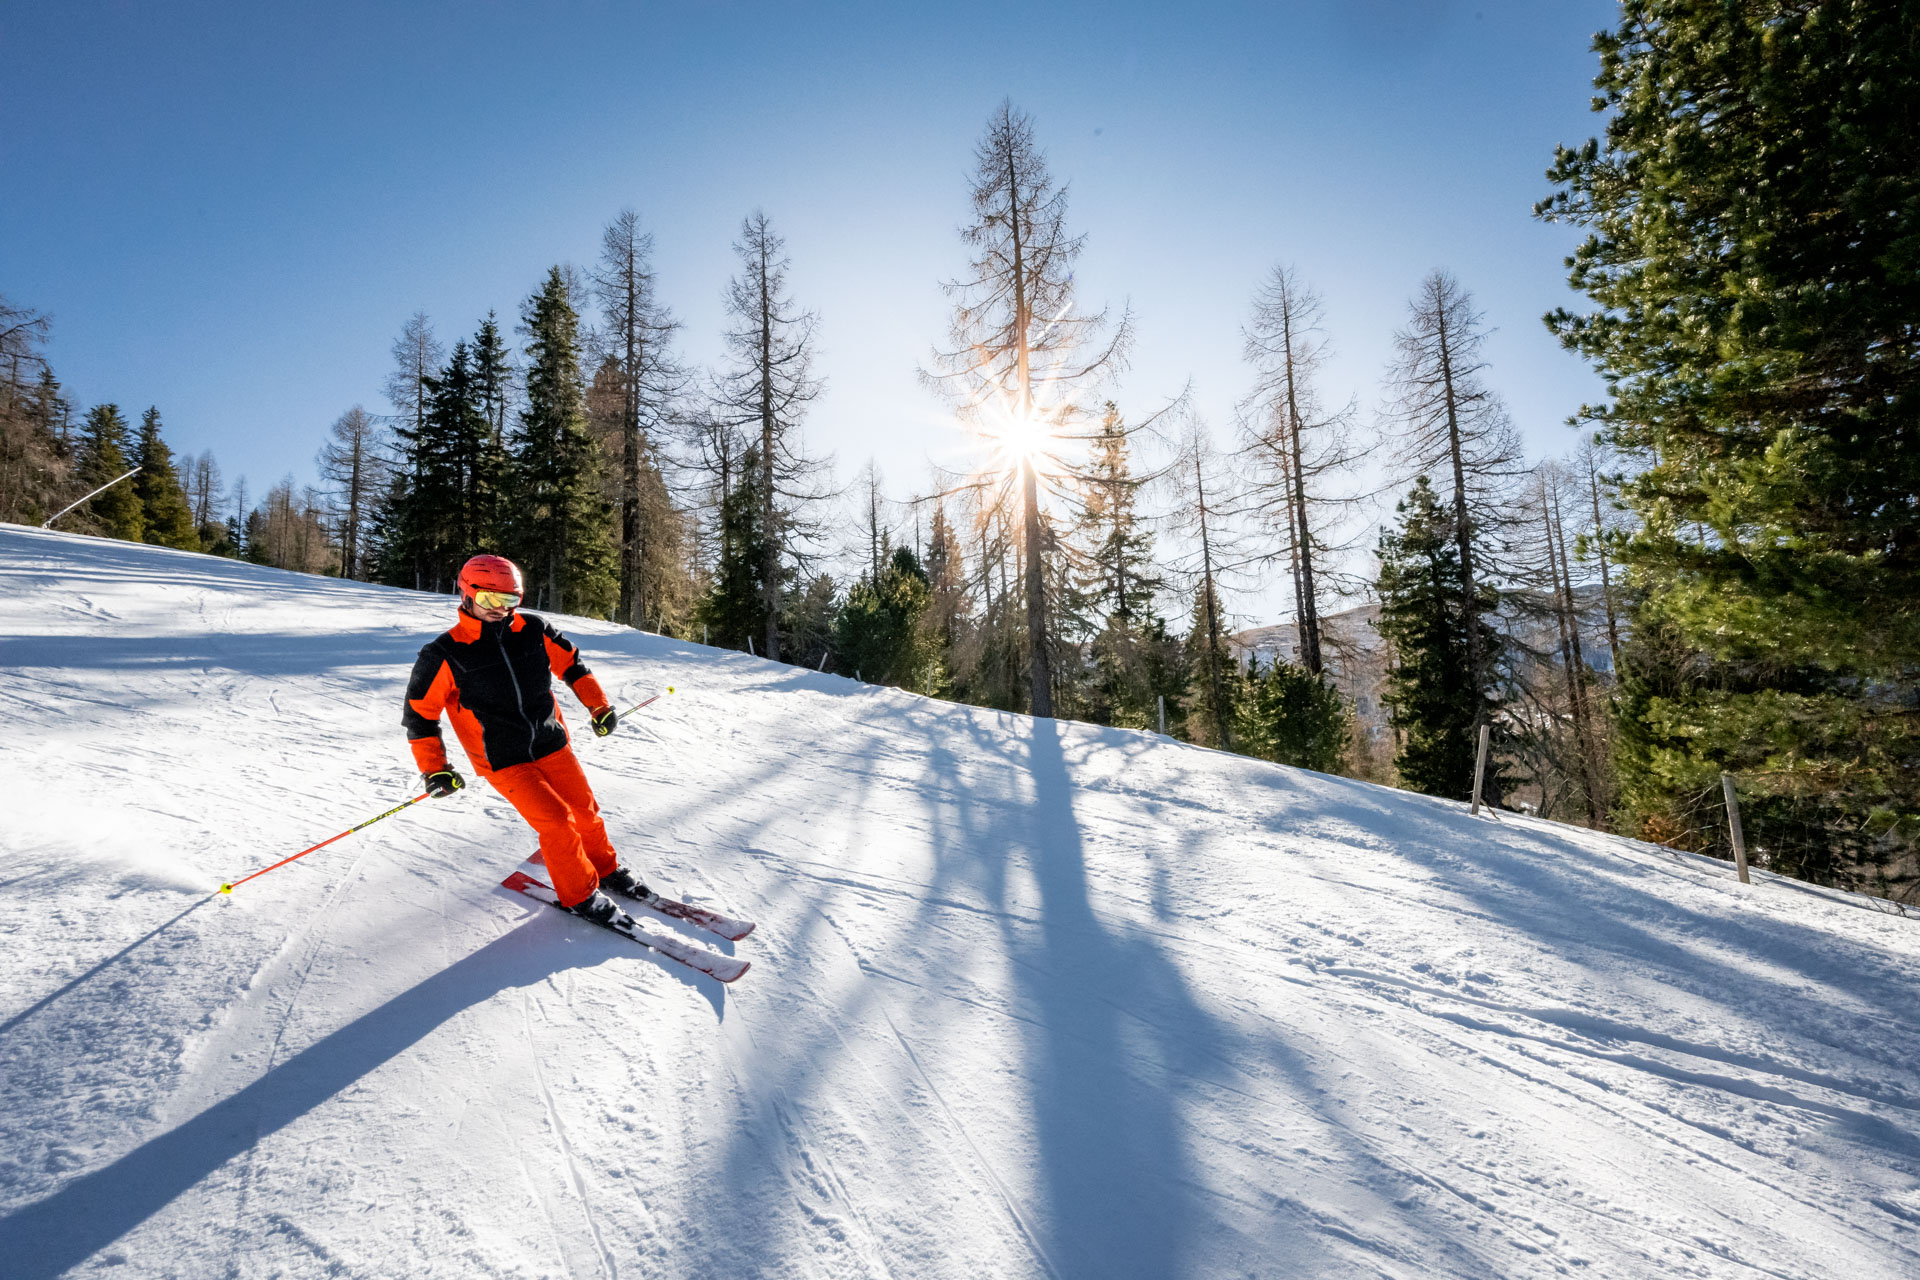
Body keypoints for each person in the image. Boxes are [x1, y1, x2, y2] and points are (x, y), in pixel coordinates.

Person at [402, 553, 648, 924]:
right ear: (466, 595)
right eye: (489, 599)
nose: (500, 609)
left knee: (586, 812)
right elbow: (420, 716)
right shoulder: (443, 653)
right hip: (503, 758)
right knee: (557, 821)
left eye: (510, 600)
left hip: (551, 742)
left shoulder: (534, 630)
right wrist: (435, 769)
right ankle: (580, 895)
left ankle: (605, 868)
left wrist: (599, 706)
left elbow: (572, 666)